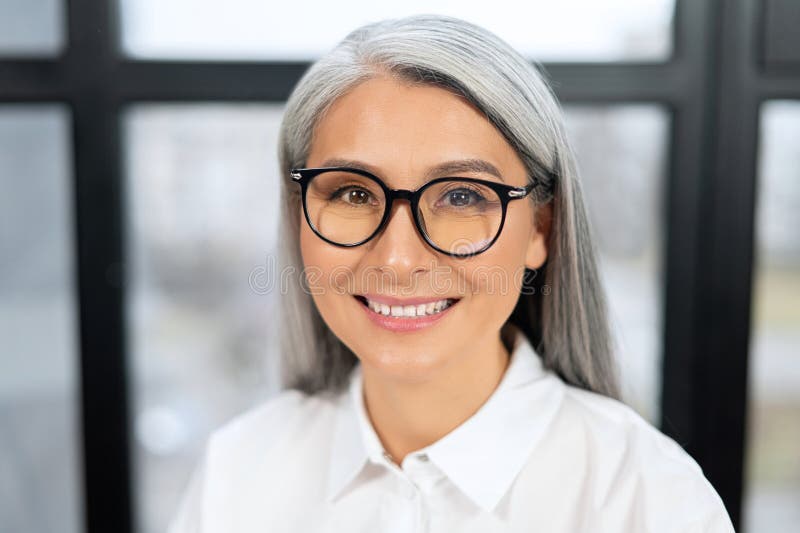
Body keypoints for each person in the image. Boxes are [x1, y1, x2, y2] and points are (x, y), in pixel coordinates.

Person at [167, 14, 735, 533]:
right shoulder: (237, 472)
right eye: (353, 192)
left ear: (542, 228)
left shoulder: (648, 499)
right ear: (299, 218)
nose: (397, 259)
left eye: (462, 196)